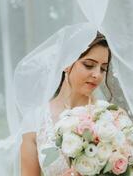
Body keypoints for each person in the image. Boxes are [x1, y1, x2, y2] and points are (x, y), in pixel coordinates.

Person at [20, 32, 113, 176]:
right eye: (89, 65)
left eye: (103, 68)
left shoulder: (110, 118)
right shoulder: (35, 120)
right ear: (66, 63)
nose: (97, 75)